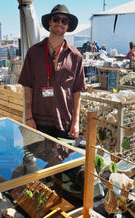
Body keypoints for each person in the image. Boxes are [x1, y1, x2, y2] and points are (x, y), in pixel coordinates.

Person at [18, 4, 86, 139]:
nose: (60, 23)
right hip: (37, 122)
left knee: (63, 160)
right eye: (56, 19)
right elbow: (28, 87)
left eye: (64, 21)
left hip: (64, 123)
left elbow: (77, 92)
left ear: (68, 26)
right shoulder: (34, 52)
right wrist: (29, 116)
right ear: (50, 22)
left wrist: (76, 121)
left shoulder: (75, 56)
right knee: (36, 159)